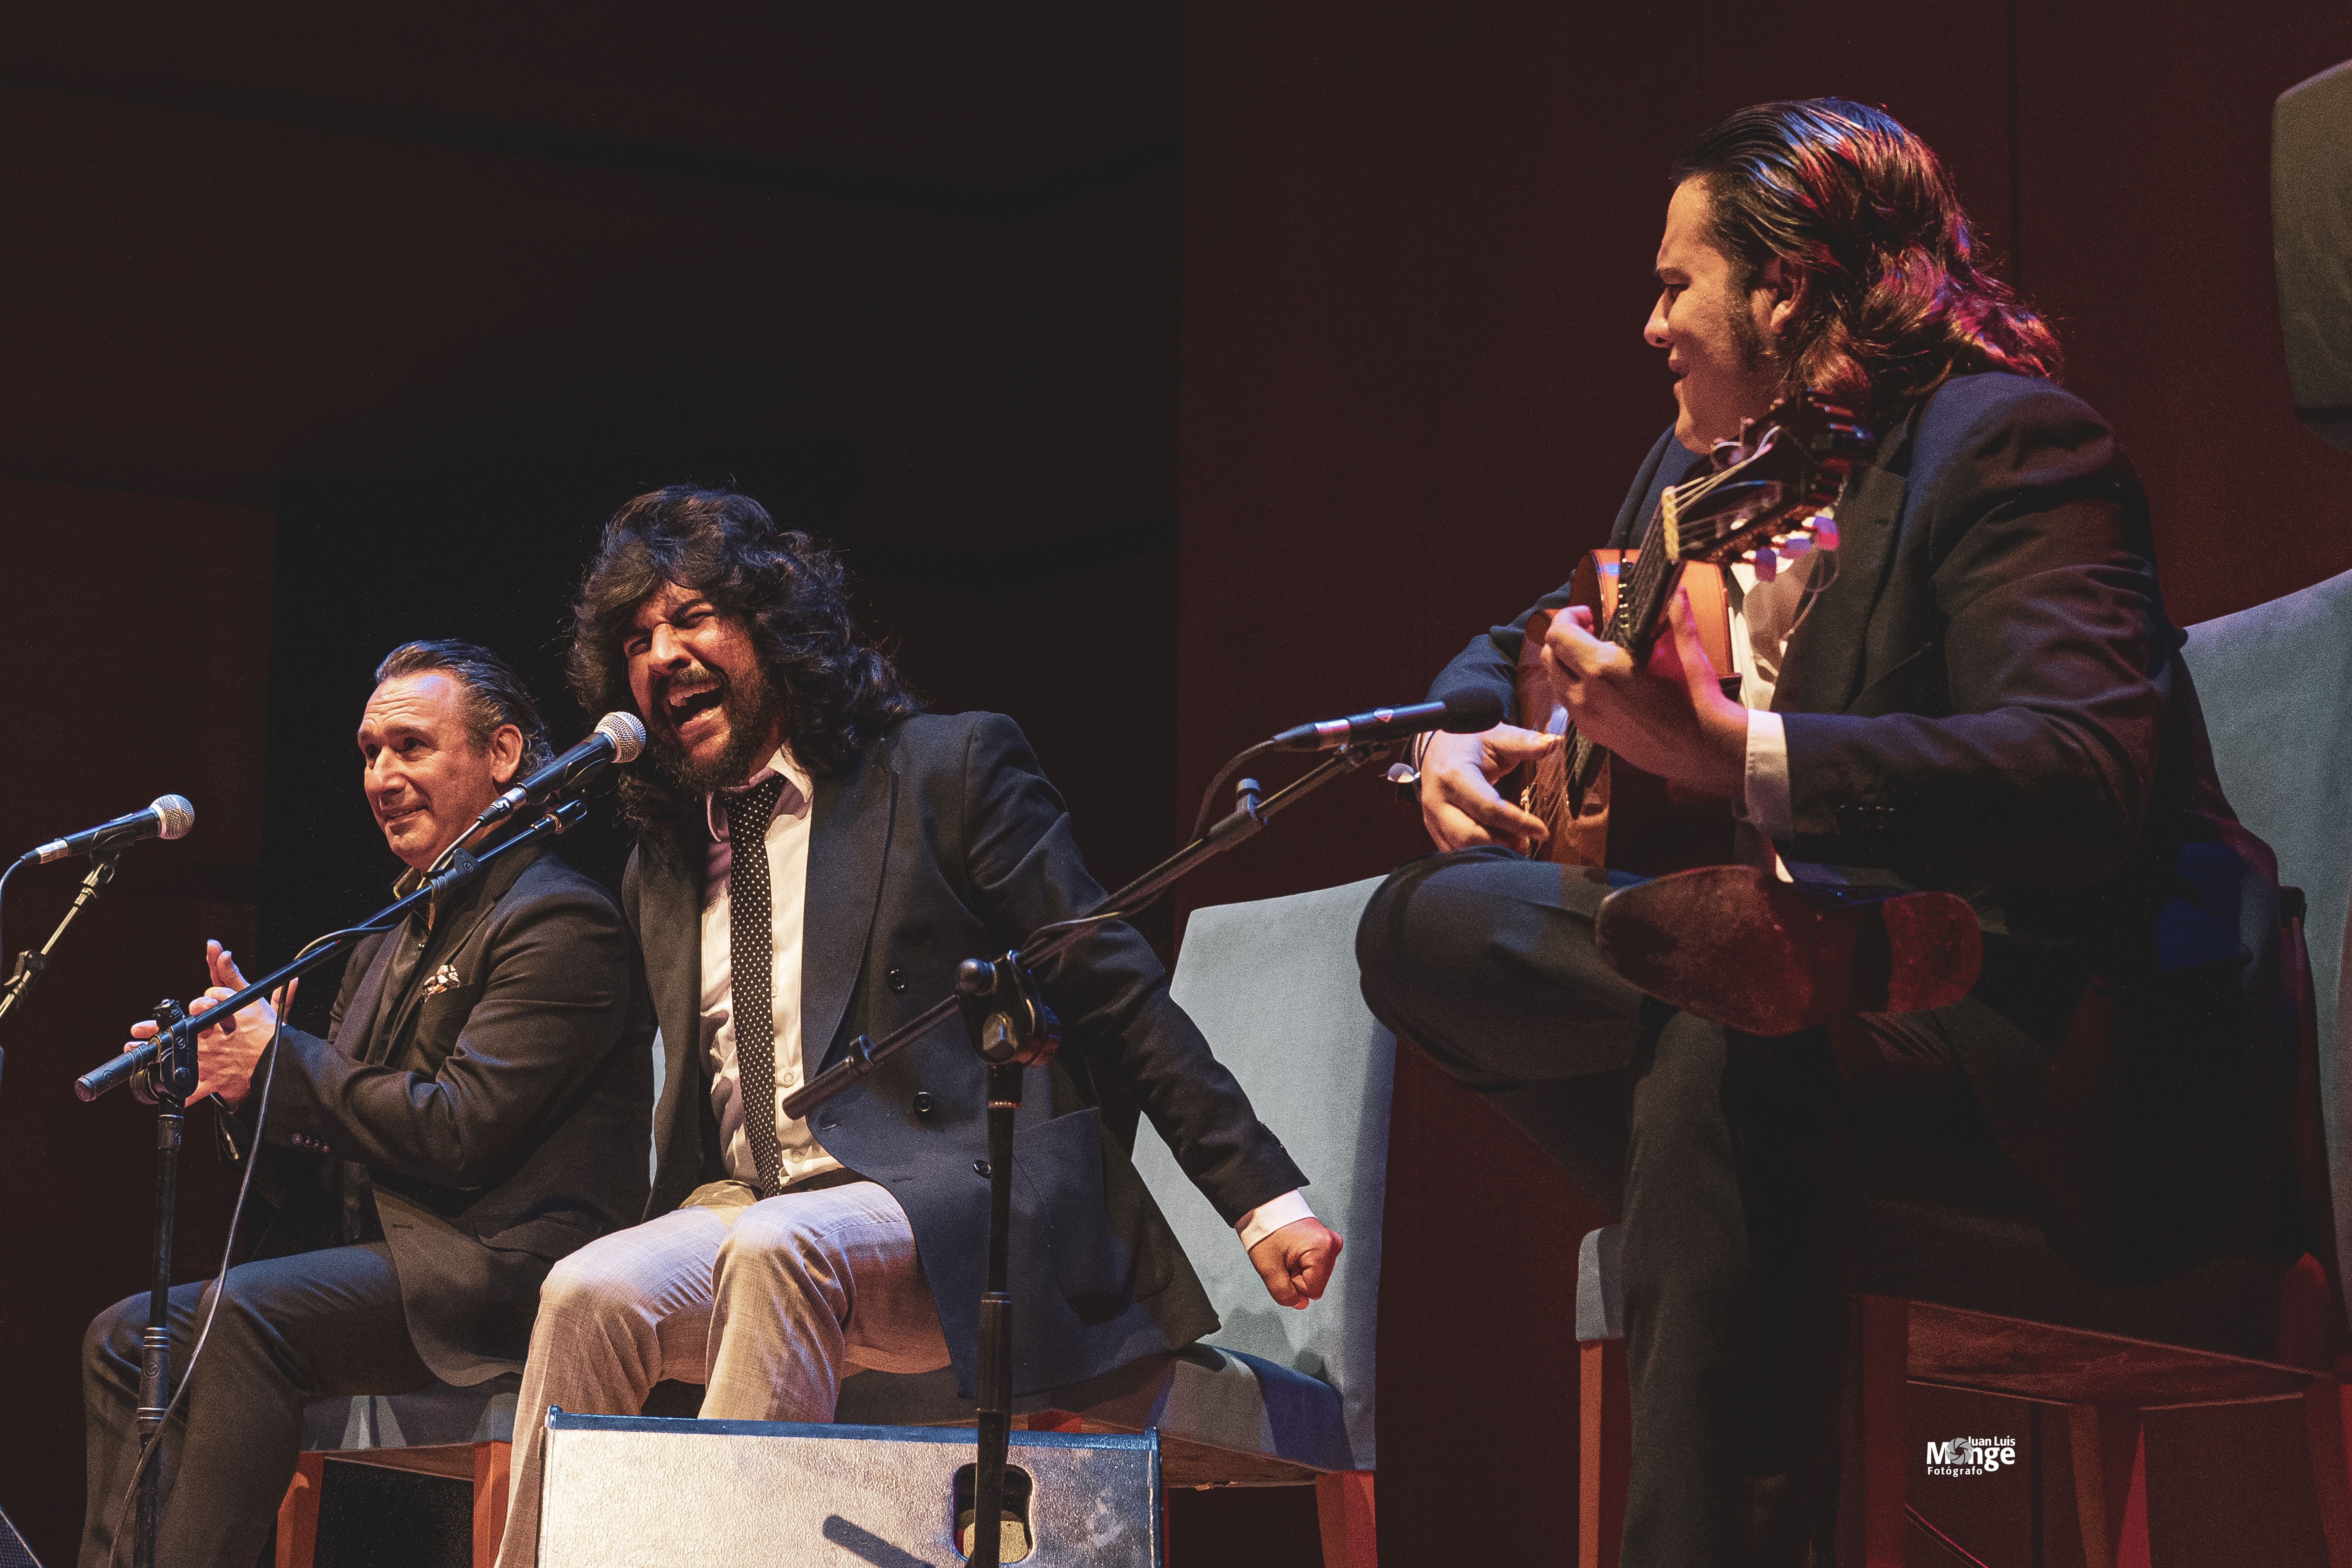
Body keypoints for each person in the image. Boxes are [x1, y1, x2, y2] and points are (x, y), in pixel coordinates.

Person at [1356, 100, 2285, 1565]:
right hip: (1800, 1032)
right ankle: (1763, 1020)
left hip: (2028, 1046)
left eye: (1676, 284)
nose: (1649, 324)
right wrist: (1454, 730)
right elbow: (1529, 633)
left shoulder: (2011, 442)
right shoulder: (1695, 480)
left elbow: (2084, 771)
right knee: (1424, 929)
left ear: (1784, 284)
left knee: (1727, 1027)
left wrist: (1745, 755)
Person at [492, 486, 1343, 1565]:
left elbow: (1111, 982)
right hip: (757, 1202)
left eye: (692, 616)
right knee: (586, 1293)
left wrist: (1260, 1198)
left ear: (772, 624)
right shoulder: (661, 864)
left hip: (967, 1206)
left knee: (777, 1250)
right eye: (636, 638)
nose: (662, 653)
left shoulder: (946, 770)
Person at [78, 640, 653, 1568]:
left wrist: (283, 1059)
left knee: (243, 1317)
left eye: (411, 746)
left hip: (496, 1271)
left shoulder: (560, 917)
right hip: (386, 1257)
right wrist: (241, 1084)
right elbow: (329, 1146)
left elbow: (461, 1130)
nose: (381, 775)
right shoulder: (387, 934)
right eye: (369, 752)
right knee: (123, 1335)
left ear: (503, 753)